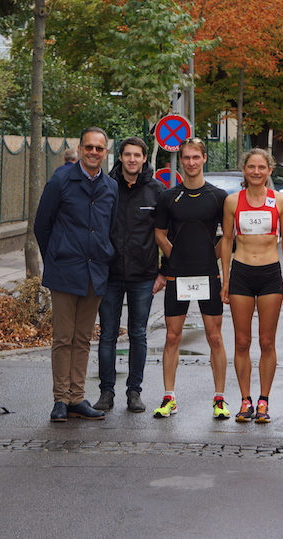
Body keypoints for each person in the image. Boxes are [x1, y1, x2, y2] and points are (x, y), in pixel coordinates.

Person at [34, 127, 117, 422]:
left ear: (105, 152)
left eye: (99, 148)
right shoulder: (61, 181)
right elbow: (42, 226)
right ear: (80, 149)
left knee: (83, 338)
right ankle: (60, 399)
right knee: (63, 337)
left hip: (96, 272)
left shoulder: (110, 187)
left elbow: (110, 228)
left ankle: (77, 398)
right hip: (65, 271)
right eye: (89, 147)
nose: (94, 152)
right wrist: (55, 257)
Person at [153, 137, 230, 419]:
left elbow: (229, 236)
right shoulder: (168, 196)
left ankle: (219, 398)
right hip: (177, 277)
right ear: (181, 160)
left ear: (204, 158)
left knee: (215, 337)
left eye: (196, 157)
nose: (191, 162)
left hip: (209, 275)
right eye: (186, 158)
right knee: (173, 337)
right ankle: (169, 397)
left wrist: (211, 256)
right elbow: (159, 234)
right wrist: (176, 256)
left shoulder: (218, 197)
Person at [220, 148, 283, 423]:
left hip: (269, 275)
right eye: (251, 167)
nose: (256, 172)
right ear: (244, 169)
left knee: (266, 341)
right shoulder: (231, 202)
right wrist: (225, 279)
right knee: (242, 341)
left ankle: (263, 400)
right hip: (241, 273)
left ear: (269, 170)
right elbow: (226, 240)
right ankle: (245, 400)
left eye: (261, 167)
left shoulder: (281, 202)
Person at [93, 137, 166, 413]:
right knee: (107, 335)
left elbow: (166, 235)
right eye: (127, 155)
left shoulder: (157, 190)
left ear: (145, 158)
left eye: (137, 155)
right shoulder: (107, 187)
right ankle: (106, 392)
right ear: (120, 157)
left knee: (138, 334)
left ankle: (134, 392)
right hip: (110, 274)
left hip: (144, 275)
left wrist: (164, 272)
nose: (132, 159)